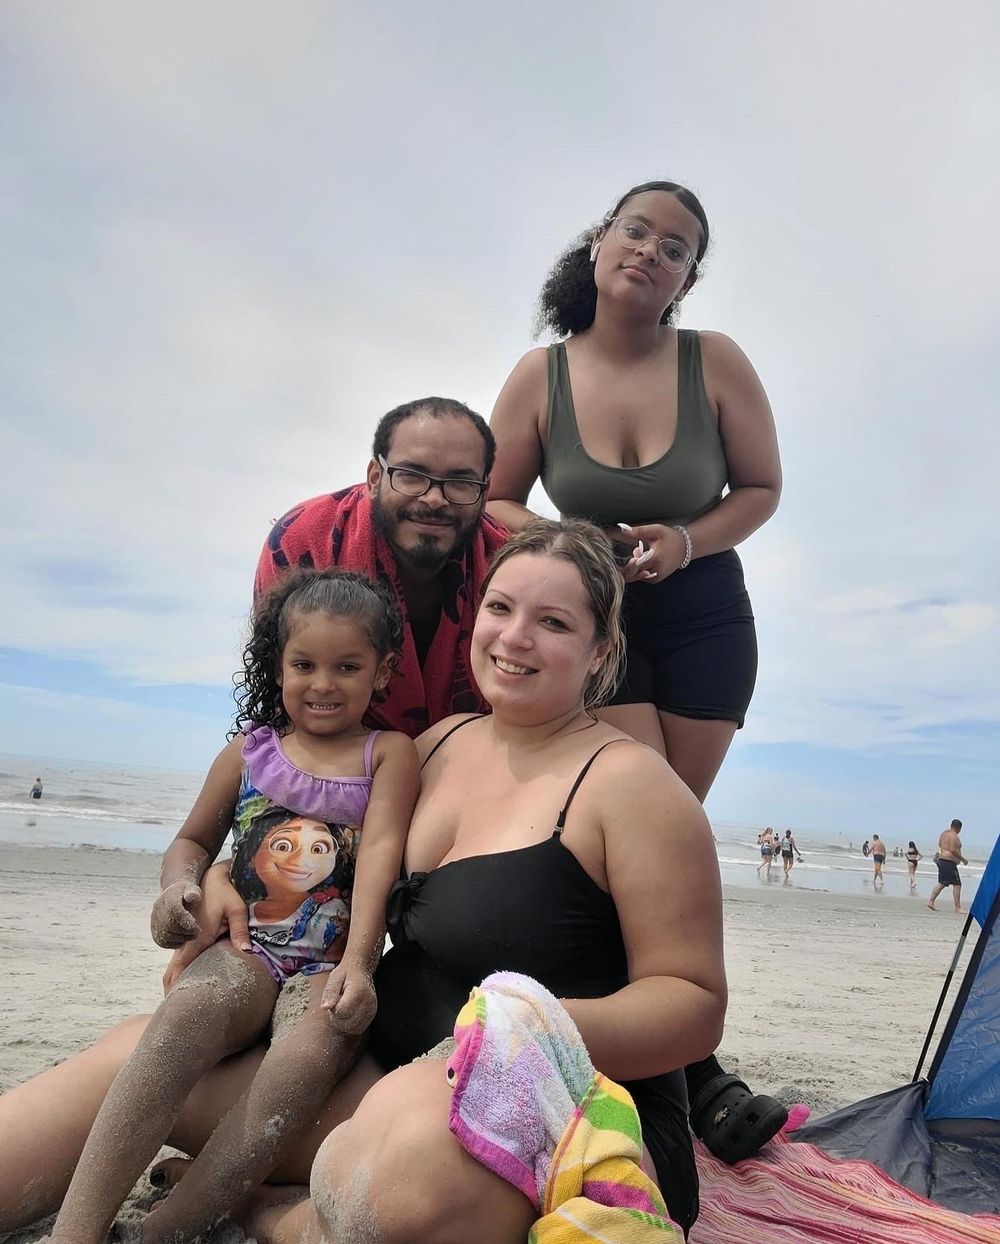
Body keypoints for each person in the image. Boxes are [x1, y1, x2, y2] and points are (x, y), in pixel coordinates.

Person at [0, 520, 725, 1240]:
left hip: (568, 1115)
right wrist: (224, 876)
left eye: (553, 622)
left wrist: (507, 1036)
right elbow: (331, 860)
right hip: (384, 1074)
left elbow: (693, 1004)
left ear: (602, 650)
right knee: (134, 1056)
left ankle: (268, 1211)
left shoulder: (633, 787)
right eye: (500, 608)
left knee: (402, 1177)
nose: (514, 637)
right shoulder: (435, 747)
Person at [485, 178, 784, 1161]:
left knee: (666, 843)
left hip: (705, 615)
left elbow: (762, 487)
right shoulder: (540, 373)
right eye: (637, 230)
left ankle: (665, 1055)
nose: (652, 250)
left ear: (686, 278)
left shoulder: (714, 361)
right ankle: (692, 1073)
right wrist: (576, 542)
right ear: (601, 242)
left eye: (676, 247)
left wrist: (686, 541)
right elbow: (492, 499)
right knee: (629, 846)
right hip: (597, 623)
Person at [50, 570, 420, 1244]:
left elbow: (379, 858)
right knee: (188, 1010)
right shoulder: (249, 754)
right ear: (277, 666)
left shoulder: (387, 755)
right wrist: (178, 889)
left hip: (325, 968)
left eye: (347, 666)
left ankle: (164, 1230)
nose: (323, 683)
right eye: (304, 664)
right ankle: (75, 1230)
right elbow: (192, 842)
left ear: (383, 671)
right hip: (244, 953)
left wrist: (360, 965)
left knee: (310, 1055)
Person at [256, 396, 508, 736]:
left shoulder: (508, 562)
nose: (435, 499)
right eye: (411, 475)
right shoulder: (303, 540)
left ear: (485, 491)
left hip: (473, 754)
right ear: (375, 477)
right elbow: (280, 690)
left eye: (461, 482)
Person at [927, 819, 968, 913]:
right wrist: (963, 859)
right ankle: (958, 907)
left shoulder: (944, 833)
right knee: (957, 884)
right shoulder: (954, 836)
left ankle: (931, 902)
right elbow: (952, 850)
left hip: (942, 860)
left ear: (951, 825)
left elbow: (940, 845)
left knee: (942, 883)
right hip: (948, 862)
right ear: (959, 828)